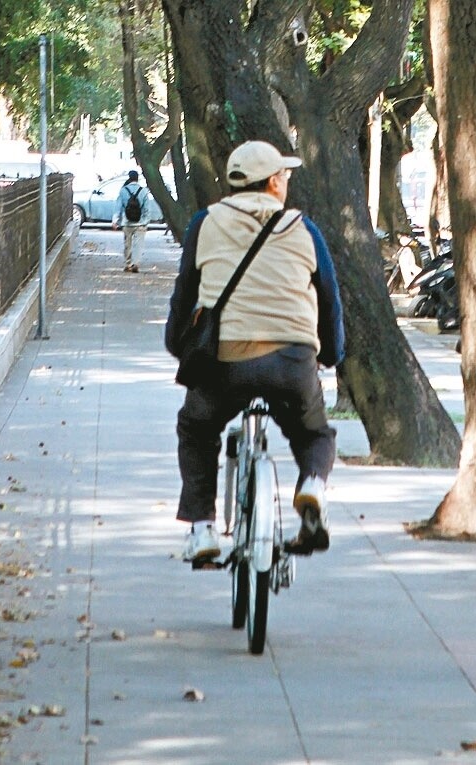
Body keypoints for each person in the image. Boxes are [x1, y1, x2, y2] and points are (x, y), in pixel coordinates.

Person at [165, 140, 345, 564]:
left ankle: (204, 529)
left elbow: (184, 296)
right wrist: (331, 353)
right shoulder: (304, 228)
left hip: (223, 364)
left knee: (196, 429)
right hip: (292, 361)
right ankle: (313, 487)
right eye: (284, 175)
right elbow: (330, 298)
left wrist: (177, 346)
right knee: (314, 433)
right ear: (273, 182)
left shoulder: (204, 223)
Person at [112, 170, 147, 273]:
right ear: (137, 178)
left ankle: (128, 264)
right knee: (138, 244)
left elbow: (118, 207)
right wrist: (145, 221)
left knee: (128, 244)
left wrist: (115, 221)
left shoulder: (123, 191)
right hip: (140, 222)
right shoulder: (143, 191)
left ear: (129, 178)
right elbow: (147, 209)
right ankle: (135, 263)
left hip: (127, 222)